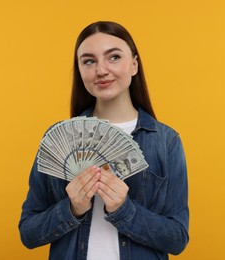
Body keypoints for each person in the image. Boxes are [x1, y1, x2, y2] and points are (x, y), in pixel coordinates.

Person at [19, 21, 189, 260]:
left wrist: (124, 209)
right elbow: (28, 233)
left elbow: (177, 238)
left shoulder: (166, 142)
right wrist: (71, 209)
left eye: (114, 57)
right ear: (80, 70)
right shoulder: (58, 139)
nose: (101, 70)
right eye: (89, 61)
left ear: (134, 65)